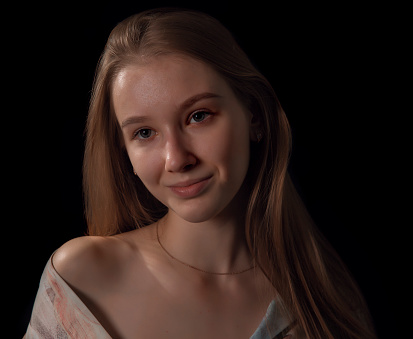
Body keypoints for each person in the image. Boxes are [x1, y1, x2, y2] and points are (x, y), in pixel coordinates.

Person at [24, 8, 376, 338]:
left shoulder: (325, 303)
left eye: (198, 116)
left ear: (253, 114)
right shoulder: (82, 279)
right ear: (124, 152)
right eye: (144, 133)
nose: (176, 159)